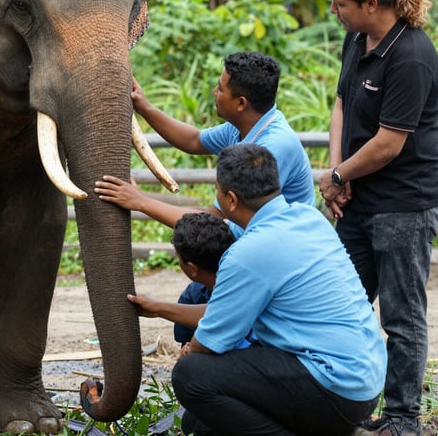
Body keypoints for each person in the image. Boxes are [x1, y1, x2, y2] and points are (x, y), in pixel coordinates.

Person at [167, 143, 387, 436]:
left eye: (217, 192)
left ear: (231, 200)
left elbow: (208, 344)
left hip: (334, 385)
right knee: (200, 424)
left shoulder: (248, 253)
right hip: (366, 382)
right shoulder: (308, 218)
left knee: (191, 377)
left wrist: (189, 350)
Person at [318, 0, 438, 436]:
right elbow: (342, 103)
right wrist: (338, 171)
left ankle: (404, 419)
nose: (334, 12)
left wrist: (339, 176)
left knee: (401, 314)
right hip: (358, 200)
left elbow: (390, 143)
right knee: (343, 304)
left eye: (340, 4)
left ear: (371, 3)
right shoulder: (357, 39)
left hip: (403, 205)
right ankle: (349, 404)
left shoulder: (411, 55)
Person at [95, 51, 314, 343]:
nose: (214, 91)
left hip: (274, 260)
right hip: (243, 244)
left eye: (221, 88)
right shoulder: (246, 127)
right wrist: (145, 108)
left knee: (213, 320)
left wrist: (140, 201)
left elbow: (213, 225)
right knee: (189, 309)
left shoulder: (268, 150)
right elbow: (194, 140)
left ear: (241, 103)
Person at [128, 212, 252, 350]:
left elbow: (223, 314)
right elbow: (188, 346)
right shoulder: (193, 295)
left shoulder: (249, 289)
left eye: (178, 258)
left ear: (192, 268)